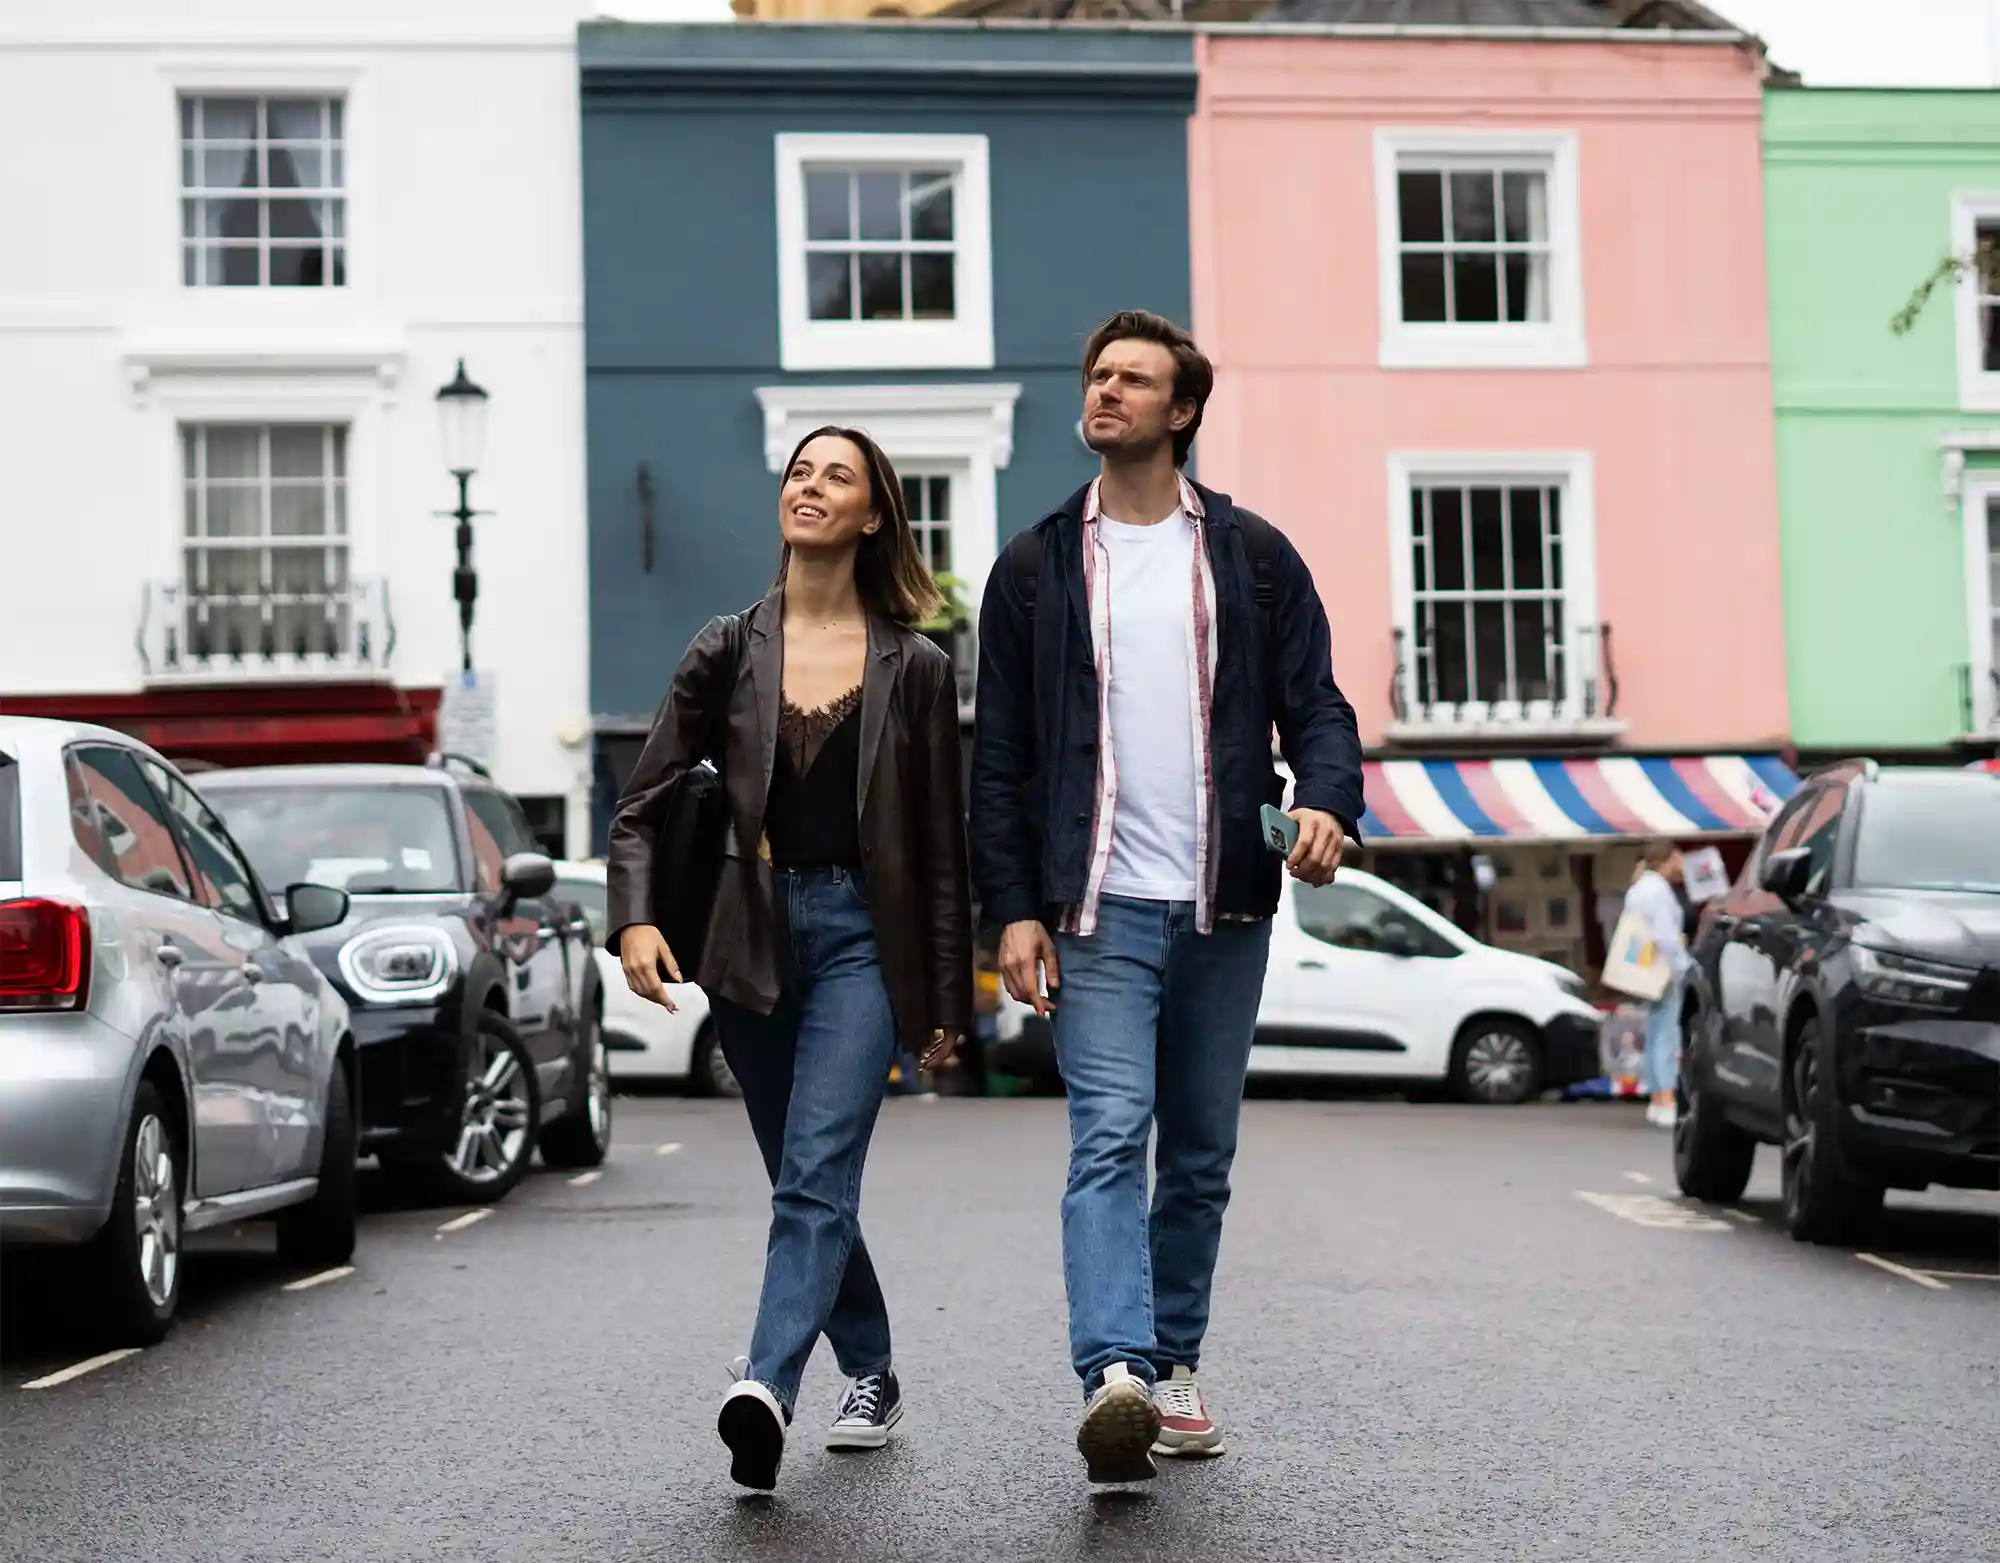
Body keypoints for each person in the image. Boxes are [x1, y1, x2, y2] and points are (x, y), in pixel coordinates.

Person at [969, 310, 1365, 1484]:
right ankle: (1114, 1374)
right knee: (1106, 1140)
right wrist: (1012, 908)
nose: (1104, 393)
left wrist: (1329, 802)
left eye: (1131, 380)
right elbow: (999, 760)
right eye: (1096, 376)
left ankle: (1173, 1364)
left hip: (1220, 902)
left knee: (1196, 1150)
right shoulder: (1035, 566)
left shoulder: (1248, 558)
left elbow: (1320, 708)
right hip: (1093, 907)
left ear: (1179, 410)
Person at [605, 426, 971, 1491]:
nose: (809, 488)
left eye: (836, 478)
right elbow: (642, 804)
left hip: (864, 937)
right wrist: (634, 919)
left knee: (815, 1174)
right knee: (801, 1177)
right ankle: (873, 1367)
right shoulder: (725, 646)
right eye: (800, 473)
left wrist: (945, 995)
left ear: (872, 516)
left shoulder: (917, 667)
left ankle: (764, 1385)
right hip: (747, 937)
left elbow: (942, 854)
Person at [1623, 840, 1690, 1127]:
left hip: (1643, 966)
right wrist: (1683, 965)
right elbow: (1665, 936)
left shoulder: (1638, 888)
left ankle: (1655, 1097)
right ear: (1668, 859)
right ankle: (1665, 1098)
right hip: (1662, 967)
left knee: (1653, 1031)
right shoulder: (1659, 891)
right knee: (1666, 1033)